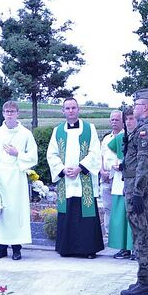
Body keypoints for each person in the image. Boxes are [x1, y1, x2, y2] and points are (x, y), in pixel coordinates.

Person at [0, 101, 39, 260]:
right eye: (7, 111)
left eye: (12, 111)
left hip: (17, 176)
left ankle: (16, 248)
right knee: (1, 212)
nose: (9, 114)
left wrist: (17, 153)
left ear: (17, 113)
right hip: (0, 178)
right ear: (3, 113)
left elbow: (33, 157)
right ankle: (1, 247)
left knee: (15, 212)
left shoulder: (25, 133)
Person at [46, 97, 104, 258]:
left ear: (78, 110)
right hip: (66, 178)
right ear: (63, 111)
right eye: (67, 108)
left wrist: (80, 168)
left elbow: (94, 152)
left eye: (73, 108)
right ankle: (66, 248)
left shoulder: (89, 128)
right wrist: (62, 169)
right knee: (68, 212)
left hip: (83, 176)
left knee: (86, 213)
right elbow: (51, 154)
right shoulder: (57, 131)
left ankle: (88, 249)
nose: (70, 111)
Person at [120, 89, 148, 295]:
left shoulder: (146, 130)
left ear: (144, 107)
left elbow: (145, 161)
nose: (134, 108)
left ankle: (145, 282)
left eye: (136, 105)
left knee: (142, 234)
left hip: (140, 186)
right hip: (146, 183)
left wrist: (137, 192)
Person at [106, 107, 137, 259]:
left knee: (136, 216)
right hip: (120, 181)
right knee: (120, 216)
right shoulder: (119, 138)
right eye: (127, 119)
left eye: (132, 118)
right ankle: (124, 248)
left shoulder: (143, 135)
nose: (129, 122)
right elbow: (108, 156)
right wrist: (114, 164)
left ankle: (136, 248)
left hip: (137, 183)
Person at [99, 110, 124, 238]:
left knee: (118, 208)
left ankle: (118, 235)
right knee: (107, 207)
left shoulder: (125, 137)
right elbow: (102, 156)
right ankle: (109, 234)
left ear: (122, 121)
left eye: (117, 120)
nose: (114, 122)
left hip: (118, 177)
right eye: (112, 120)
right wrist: (102, 171)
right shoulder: (106, 139)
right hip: (105, 176)